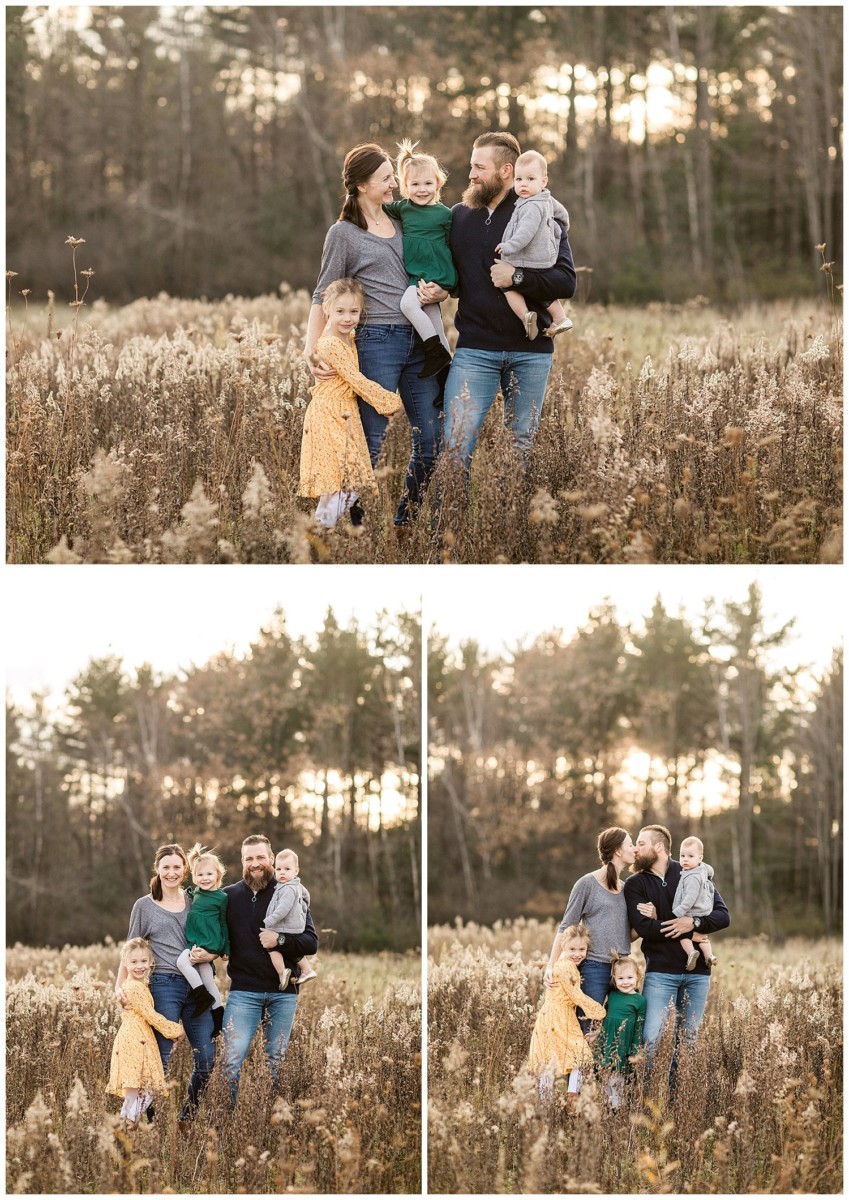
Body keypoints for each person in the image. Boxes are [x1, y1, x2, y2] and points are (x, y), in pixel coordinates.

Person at [419, 131, 576, 475]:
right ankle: (447, 529)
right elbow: (456, 277)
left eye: (479, 167)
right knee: (456, 445)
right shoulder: (459, 216)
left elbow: (567, 281)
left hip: (531, 352)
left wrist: (516, 277)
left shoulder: (538, 210)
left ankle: (512, 526)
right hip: (474, 350)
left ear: (506, 171)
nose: (471, 174)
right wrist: (441, 289)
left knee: (521, 449)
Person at [305, 143, 442, 532]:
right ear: (363, 186)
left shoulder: (403, 221)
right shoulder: (343, 234)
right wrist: (311, 349)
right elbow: (323, 293)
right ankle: (345, 528)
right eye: (386, 178)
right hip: (376, 340)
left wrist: (440, 291)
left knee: (431, 442)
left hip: (421, 338)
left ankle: (404, 523)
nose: (394, 183)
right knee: (370, 444)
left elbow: (430, 264)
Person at [206, 834, 319, 1103]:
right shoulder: (228, 896)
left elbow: (311, 941)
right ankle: (222, 1131)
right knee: (231, 1060)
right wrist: (216, 947)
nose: (255, 863)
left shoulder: (289, 890)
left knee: (276, 1063)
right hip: (243, 993)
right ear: (242, 862)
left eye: (260, 857)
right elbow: (210, 927)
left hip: (284, 993)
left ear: (271, 859)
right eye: (249, 859)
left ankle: (273, 1126)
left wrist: (279, 940)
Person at [117, 844, 215, 1124]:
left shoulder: (198, 900)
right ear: (157, 870)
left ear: (185, 869)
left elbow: (213, 938)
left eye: (177, 867)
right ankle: (142, 1122)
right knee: (160, 1059)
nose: (172, 872)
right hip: (163, 984)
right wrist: (120, 986)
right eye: (166, 867)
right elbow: (130, 949)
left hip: (198, 985)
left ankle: (186, 1117)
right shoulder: (144, 906)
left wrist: (211, 954)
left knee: (207, 1060)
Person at [624, 824, 730, 1081]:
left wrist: (693, 923)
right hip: (660, 972)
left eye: (640, 843)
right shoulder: (635, 884)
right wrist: (685, 930)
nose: (635, 849)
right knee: (651, 1038)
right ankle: (642, 1100)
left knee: (688, 1041)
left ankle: (677, 1104)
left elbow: (722, 916)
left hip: (698, 974)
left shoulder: (694, 870)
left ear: (658, 847)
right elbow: (644, 928)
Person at [300, 278, 402, 529]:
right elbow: (356, 380)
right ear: (327, 311)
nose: (347, 318)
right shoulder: (329, 344)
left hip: (345, 412)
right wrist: (391, 402)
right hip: (329, 413)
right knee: (343, 480)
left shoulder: (350, 337)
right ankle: (318, 533)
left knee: (347, 479)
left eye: (354, 312)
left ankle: (320, 532)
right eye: (340, 311)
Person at [543, 827, 638, 1030]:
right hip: (594, 968)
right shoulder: (587, 884)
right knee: (588, 1027)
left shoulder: (626, 887)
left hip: (622, 969)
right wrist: (551, 965)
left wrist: (650, 919)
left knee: (619, 1029)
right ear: (618, 851)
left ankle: (609, 1064)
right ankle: (582, 1064)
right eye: (630, 844)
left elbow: (627, 935)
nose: (635, 849)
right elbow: (566, 926)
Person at [382, 139, 456, 380]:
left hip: (435, 274)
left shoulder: (445, 214)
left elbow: (454, 246)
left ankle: (434, 353)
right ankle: (446, 378)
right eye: (415, 184)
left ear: (438, 183)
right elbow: (379, 206)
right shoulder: (404, 209)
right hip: (418, 273)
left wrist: (450, 284)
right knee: (435, 322)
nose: (421, 189)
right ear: (404, 186)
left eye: (428, 183)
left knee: (408, 305)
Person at [495, 150, 573, 340]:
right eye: (519, 179)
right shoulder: (545, 198)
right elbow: (561, 212)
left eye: (530, 179)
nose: (523, 184)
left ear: (543, 181)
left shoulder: (531, 205)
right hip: (542, 259)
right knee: (540, 291)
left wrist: (510, 246)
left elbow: (525, 232)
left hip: (529, 257)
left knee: (508, 285)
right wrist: (563, 226)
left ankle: (525, 316)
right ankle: (560, 316)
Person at [108, 937, 185, 1127]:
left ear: (151, 962)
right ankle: (128, 1125)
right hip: (135, 1040)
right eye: (133, 962)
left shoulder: (139, 984)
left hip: (134, 1036)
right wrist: (175, 1030)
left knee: (133, 1091)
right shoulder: (134, 987)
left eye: (144, 961)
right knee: (149, 1088)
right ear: (125, 963)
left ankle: (121, 1130)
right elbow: (151, 1015)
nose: (139, 966)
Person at [529, 923, 606, 1104]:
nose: (577, 953)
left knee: (577, 1057)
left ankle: (570, 1097)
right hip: (556, 1017)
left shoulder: (569, 965)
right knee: (561, 1059)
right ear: (562, 946)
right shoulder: (565, 967)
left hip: (563, 1016)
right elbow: (576, 996)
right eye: (572, 948)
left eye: (582, 949)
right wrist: (600, 1012)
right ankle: (546, 1105)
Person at [174, 843, 229, 1035]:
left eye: (209, 874)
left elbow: (223, 924)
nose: (204, 879)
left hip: (208, 941)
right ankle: (218, 1017)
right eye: (200, 875)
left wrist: (225, 950)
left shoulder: (221, 898)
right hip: (195, 940)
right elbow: (189, 895)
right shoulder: (195, 893)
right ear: (194, 878)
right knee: (208, 979)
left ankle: (201, 997)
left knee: (182, 961)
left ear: (218, 876)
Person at [597, 952, 646, 1110]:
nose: (625, 982)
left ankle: (617, 1109)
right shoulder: (611, 995)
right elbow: (604, 1016)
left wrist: (635, 1048)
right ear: (614, 979)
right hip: (607, 1040)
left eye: (630, 978)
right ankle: (606, 1106)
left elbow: (639, 1026)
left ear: (637, 976)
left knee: (617, 1077)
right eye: (621, 978)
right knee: (605, 1075)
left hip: (623, 1042)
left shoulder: (640, 1000)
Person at [263, 848, 317, 990]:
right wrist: (303, 906)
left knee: (271, 947)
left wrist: (270, 920)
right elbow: (306, 895)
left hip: (286, 925)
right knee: (291, 949)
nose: (282, 872)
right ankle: (307, 969)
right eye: (279, 869)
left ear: (296, 871)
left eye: (287, 869)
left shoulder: (287, 888)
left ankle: (282, 973)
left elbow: (283, 909)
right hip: (293, 925)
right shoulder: (296, 885)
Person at [674, 836, 719, 971]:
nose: (685, 859)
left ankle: (691, 952)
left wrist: (679, 911)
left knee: (682, 934)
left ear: (700, 858)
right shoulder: (703, 869)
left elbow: (690, 898)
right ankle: (709, 956)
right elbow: (710, 870)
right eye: (682, 856)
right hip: (704, 911)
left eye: (690, 856)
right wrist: (709, 875)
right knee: (703, 938)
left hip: (692, 911)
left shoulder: (692, 877)